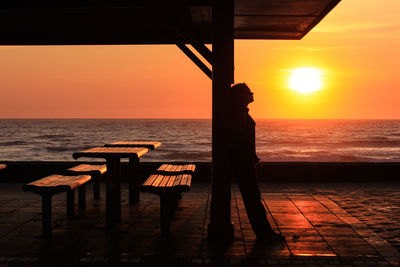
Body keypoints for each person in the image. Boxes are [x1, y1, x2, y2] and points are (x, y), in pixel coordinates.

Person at [229, 83, 285, 241]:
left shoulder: (240, 112)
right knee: (253, 197)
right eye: (249, 92)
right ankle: (264, 233)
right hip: (243, 161)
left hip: (244, 159)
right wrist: (248, 156)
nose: (252, 94)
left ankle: (264, 232)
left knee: (253, 197)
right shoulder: (238, 113)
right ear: (241, 97)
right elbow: (239, 137)